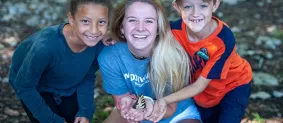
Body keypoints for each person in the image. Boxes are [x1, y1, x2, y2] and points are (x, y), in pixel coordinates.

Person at [149, 0, 253, 123]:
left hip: (233, 85)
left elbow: (199, 86)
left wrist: (164, 100)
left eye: (203, 6)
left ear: (215, 5)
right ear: (177, 7)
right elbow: (144, 36)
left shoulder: (223, 39)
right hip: (204, 93)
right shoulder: (173, 30)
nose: (195, 13)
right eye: (187, 6)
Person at [98, 0, 201, 123]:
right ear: (121, 28)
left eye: (148, 21)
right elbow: (122, 103)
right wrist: (130, 109)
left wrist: (149, 104)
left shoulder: (173, 54)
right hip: (136, 108)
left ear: (158, 28)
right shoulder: (110, 57)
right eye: (132, 20)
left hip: (178, 113)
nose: (140, 28)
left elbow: (170, 109)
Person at [8, 0, 110, 122]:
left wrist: (85, 111)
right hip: (35, 88)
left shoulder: (99, 45)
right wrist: (53, 120)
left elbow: (87, 75)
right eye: (85, 21)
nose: (94, 30)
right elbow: (25, 86)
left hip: (68, 86)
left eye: (101, 22)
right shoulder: (45, 47)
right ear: (71, 19)